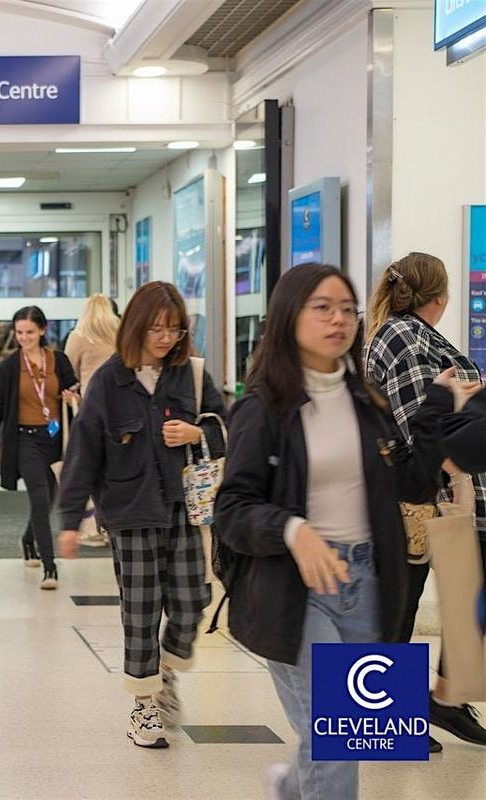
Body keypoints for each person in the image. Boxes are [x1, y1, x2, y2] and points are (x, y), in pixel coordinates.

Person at [214, 263, 449, 799]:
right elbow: (232, 509)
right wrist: (293, 530)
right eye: (322, 307)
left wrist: (439, 413)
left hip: (368, 581)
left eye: (347, 308)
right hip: (293, 590)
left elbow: (411, 482)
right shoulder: (263, 406)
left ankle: (293, 788)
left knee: (351, 733)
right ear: (289, 316)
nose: (339, 319)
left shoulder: (365, 402)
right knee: (336, 739)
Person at [57, 281, 225, 749]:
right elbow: (84, 452)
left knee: (193, 602)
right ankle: (144, 703)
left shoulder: (191, 374)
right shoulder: (110, 380)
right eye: (156, 328)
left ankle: (167, 669)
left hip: (183, 508)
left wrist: (196, 432)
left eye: (174, 329)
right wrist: (70, 520)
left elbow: (226, 424)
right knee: (142, 609)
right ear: (136, 326)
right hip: (130, 511)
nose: (166, 337)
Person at [363, 252, 486, 749]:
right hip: (424, 495)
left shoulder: (410, 334)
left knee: (464, 601)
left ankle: (445, 698)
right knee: (401, 606)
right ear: (442, 295)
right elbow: (422, 423)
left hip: (451, 495)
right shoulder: (404, 336)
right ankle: (394, 710)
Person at [0, 307, 78, 587]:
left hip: (56, 438)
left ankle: (27, 539)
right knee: (38, 498)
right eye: (20, 332)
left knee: (48, 500)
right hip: (24, 439)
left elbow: (74, 388)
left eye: (30, 332)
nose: (24, 338)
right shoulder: (10, 367)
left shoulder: (58, 360)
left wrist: (71, 393)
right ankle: (50, 567)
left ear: (42, 331)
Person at [63, 293, 121, 548]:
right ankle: (113, 522)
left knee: (88, 466)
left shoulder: (78, 336)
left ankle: (93, 524)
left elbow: (68, 371)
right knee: (116, 469)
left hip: (90, 407)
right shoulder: (120, 332)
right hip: (120, 409)